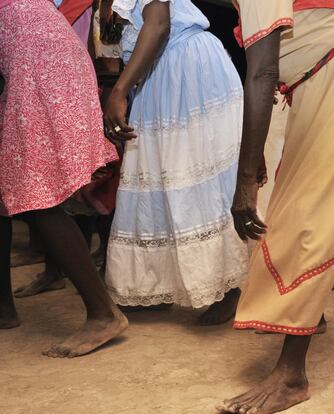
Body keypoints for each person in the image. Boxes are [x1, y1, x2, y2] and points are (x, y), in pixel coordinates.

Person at [217, 0, 334, 412]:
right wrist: (255, 153)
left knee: (311, 215)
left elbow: (262, 72)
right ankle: (308, 314)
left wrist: (245, 179)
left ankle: (292, 377)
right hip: (322, 84)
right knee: (296, 204)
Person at [104, 0, 248, 324]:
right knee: (160, 177)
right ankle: (154, 283)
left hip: (184, 69)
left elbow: (158, 24)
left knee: (192, 177)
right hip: (160, 71)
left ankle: (225, 287)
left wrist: (119, 91)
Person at [0, 0, 128, 358]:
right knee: (19, 187)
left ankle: (103, 314)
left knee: (36, 192)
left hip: (38, 65)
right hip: (38, 58)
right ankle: (5, 309)